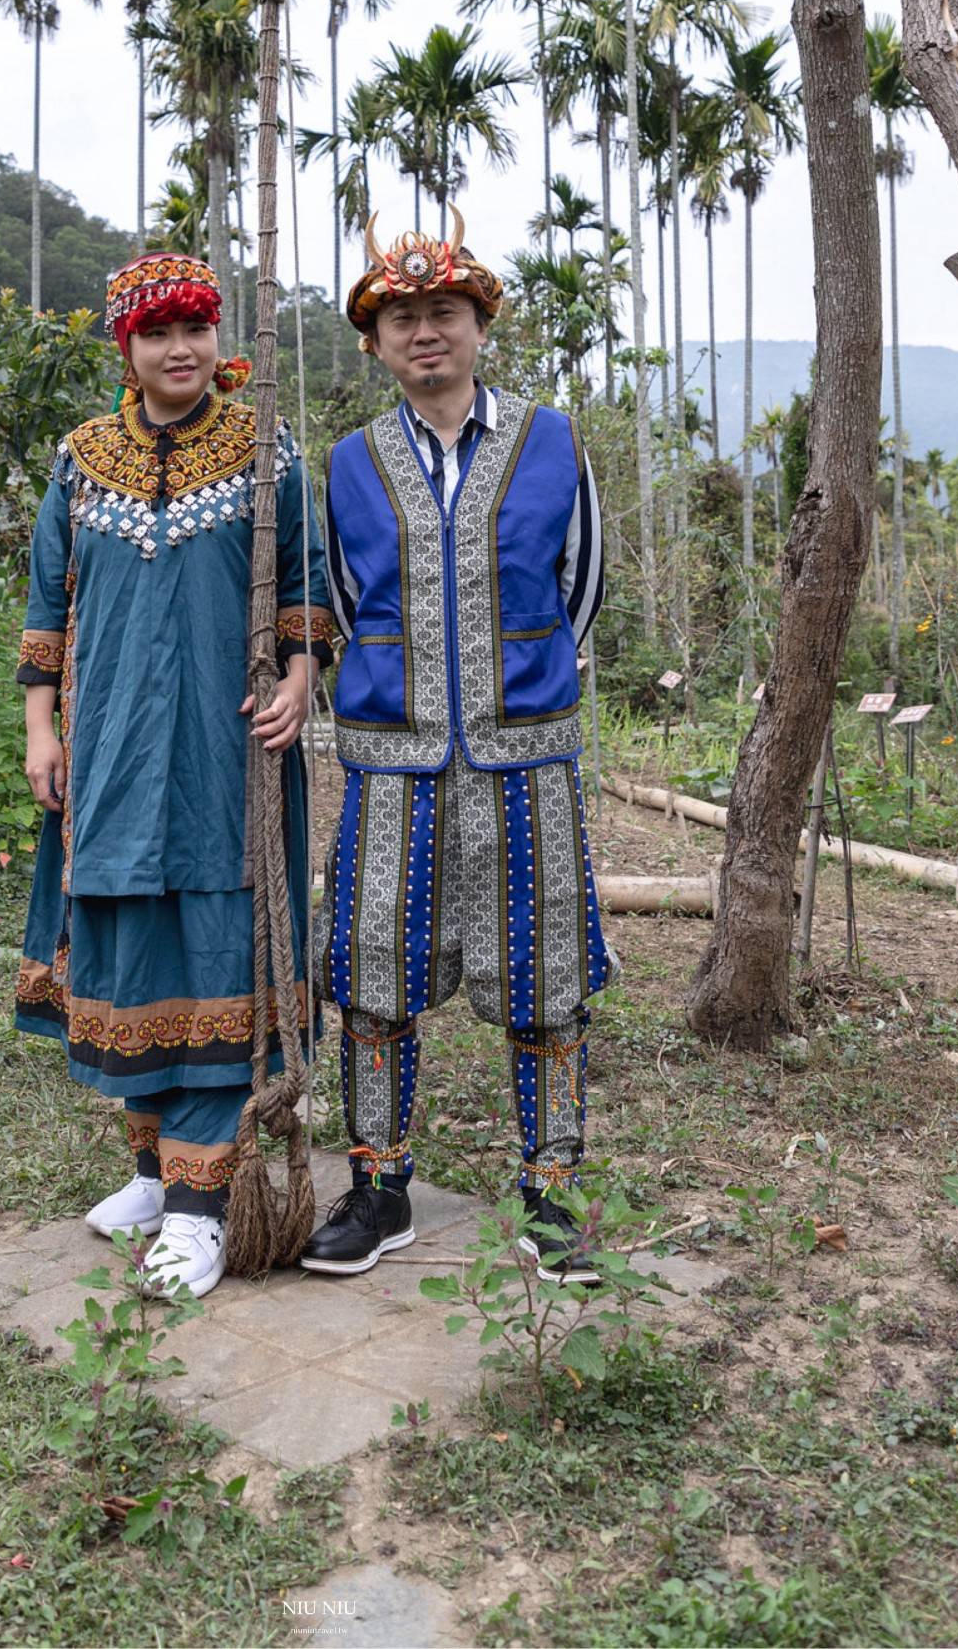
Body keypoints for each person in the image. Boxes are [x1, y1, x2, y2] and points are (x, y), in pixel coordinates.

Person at [13, 252, 333, 1299]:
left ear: (218, 337)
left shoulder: (265, 450)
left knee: (217, 946)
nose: (179, 348)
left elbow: (306, 587)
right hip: (107, 749)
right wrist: (41, 729)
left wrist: (298, 678)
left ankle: (202, 1214)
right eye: (156, 332)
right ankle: (154, 1176)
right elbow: (48, 606)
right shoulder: (80, 459)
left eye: (195, 327)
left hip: (227, 752)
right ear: (128, 348)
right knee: (131, 943)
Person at [304, 214, 607, 1281]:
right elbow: (341, 598)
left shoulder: (552, 440)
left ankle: (552, 1191)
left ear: (481, 328)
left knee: (544, 976)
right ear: (377, 345)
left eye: (444, 315)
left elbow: (580, 590)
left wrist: (505, 687)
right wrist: (413, 691)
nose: (424, 334)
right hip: (390, 762)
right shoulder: (345, 465)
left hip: (527, 758)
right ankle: (379, 1188)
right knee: (374, 976)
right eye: (401, 320)